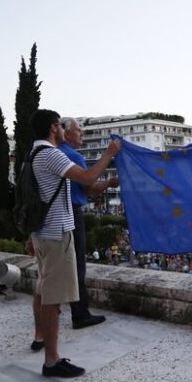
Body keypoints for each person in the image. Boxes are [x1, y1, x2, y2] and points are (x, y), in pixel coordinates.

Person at [25, 109, 121, 378]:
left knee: (44, 291)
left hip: (43, 232)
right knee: (53, 298)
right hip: (57, 234)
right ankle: (52, 361)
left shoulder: (31, 154)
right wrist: (109, 154)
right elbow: (88, 180)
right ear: (55, 128)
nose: (63, 130)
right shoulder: (51, 154)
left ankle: (43, 341)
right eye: (59, 126)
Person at [59, 117, 119, 329]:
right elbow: (89, 187)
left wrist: (109, 183)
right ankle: (80, 314)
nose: (82, 134)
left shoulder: (53, 154)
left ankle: (53, 309)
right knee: (77, 267)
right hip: (72, 214)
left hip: (54, 217)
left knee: (59, 266)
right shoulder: (72, 155)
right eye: (79, 131)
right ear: (66, 133)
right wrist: (109, 153)